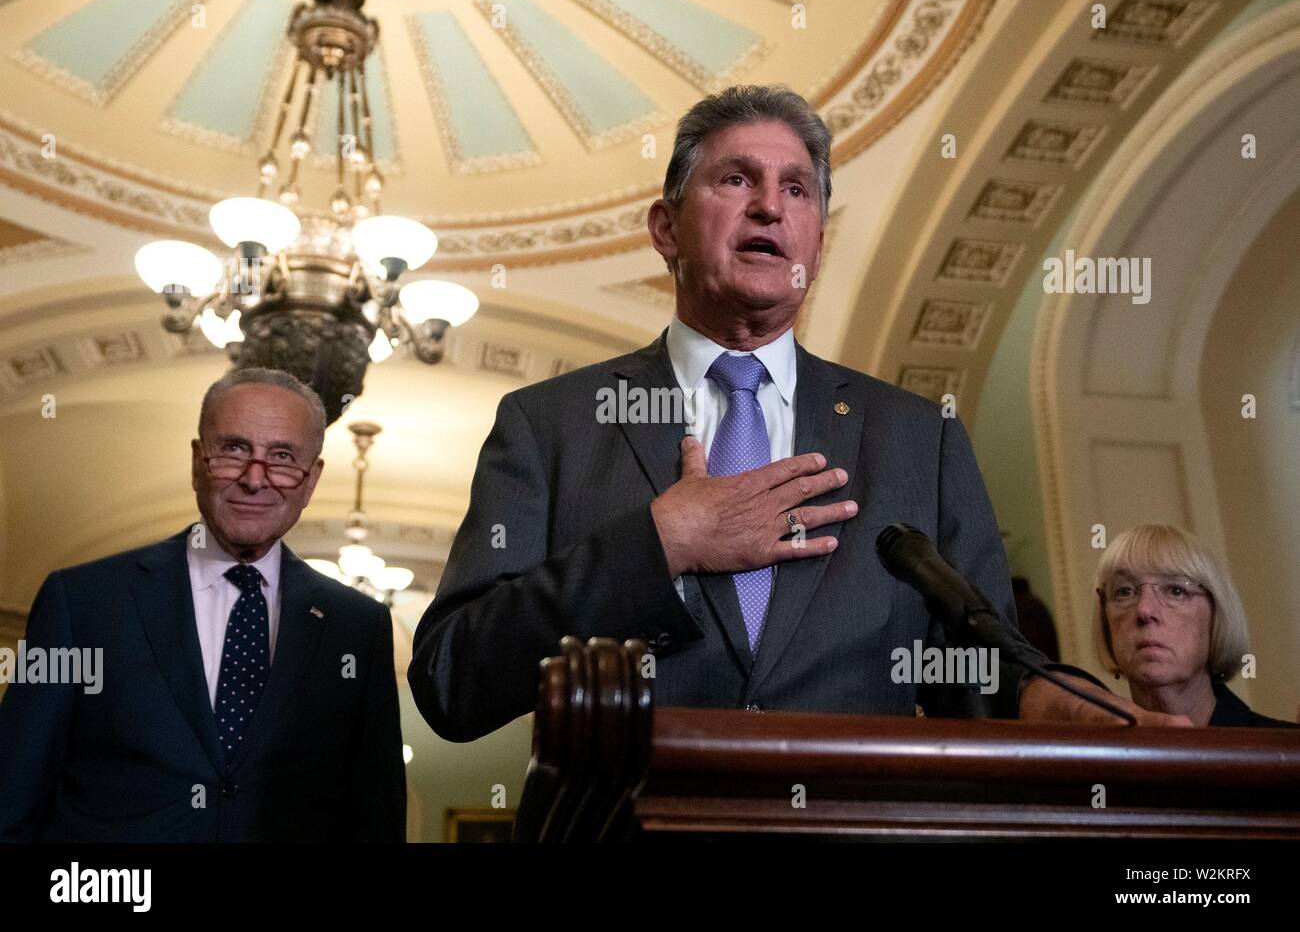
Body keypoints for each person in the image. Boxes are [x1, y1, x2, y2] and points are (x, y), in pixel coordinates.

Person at [408, 85, 1183, 742]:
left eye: (796, 189)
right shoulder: (549, 426)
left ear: (815, 235)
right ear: (665, 229)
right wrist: (660, 545)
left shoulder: (919, 438)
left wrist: (1040, 699)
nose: (769, 208)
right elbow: (451, 683)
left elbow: (973, 667)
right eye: (736, 180)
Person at [0, 368, 406, 840]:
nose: (256, 479)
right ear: (198, 461)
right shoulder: (82, 603)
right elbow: (10, 797)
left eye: (282, 457)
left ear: (311, 478)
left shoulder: (359, 626)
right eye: (234, 449)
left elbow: (375, 819)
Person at [1094, 523, 1297, 728]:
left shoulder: (1286, 750)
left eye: (1176, 590)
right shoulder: (1087, 757)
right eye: (1125, 591)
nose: (1145, 610)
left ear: (1216, 615)